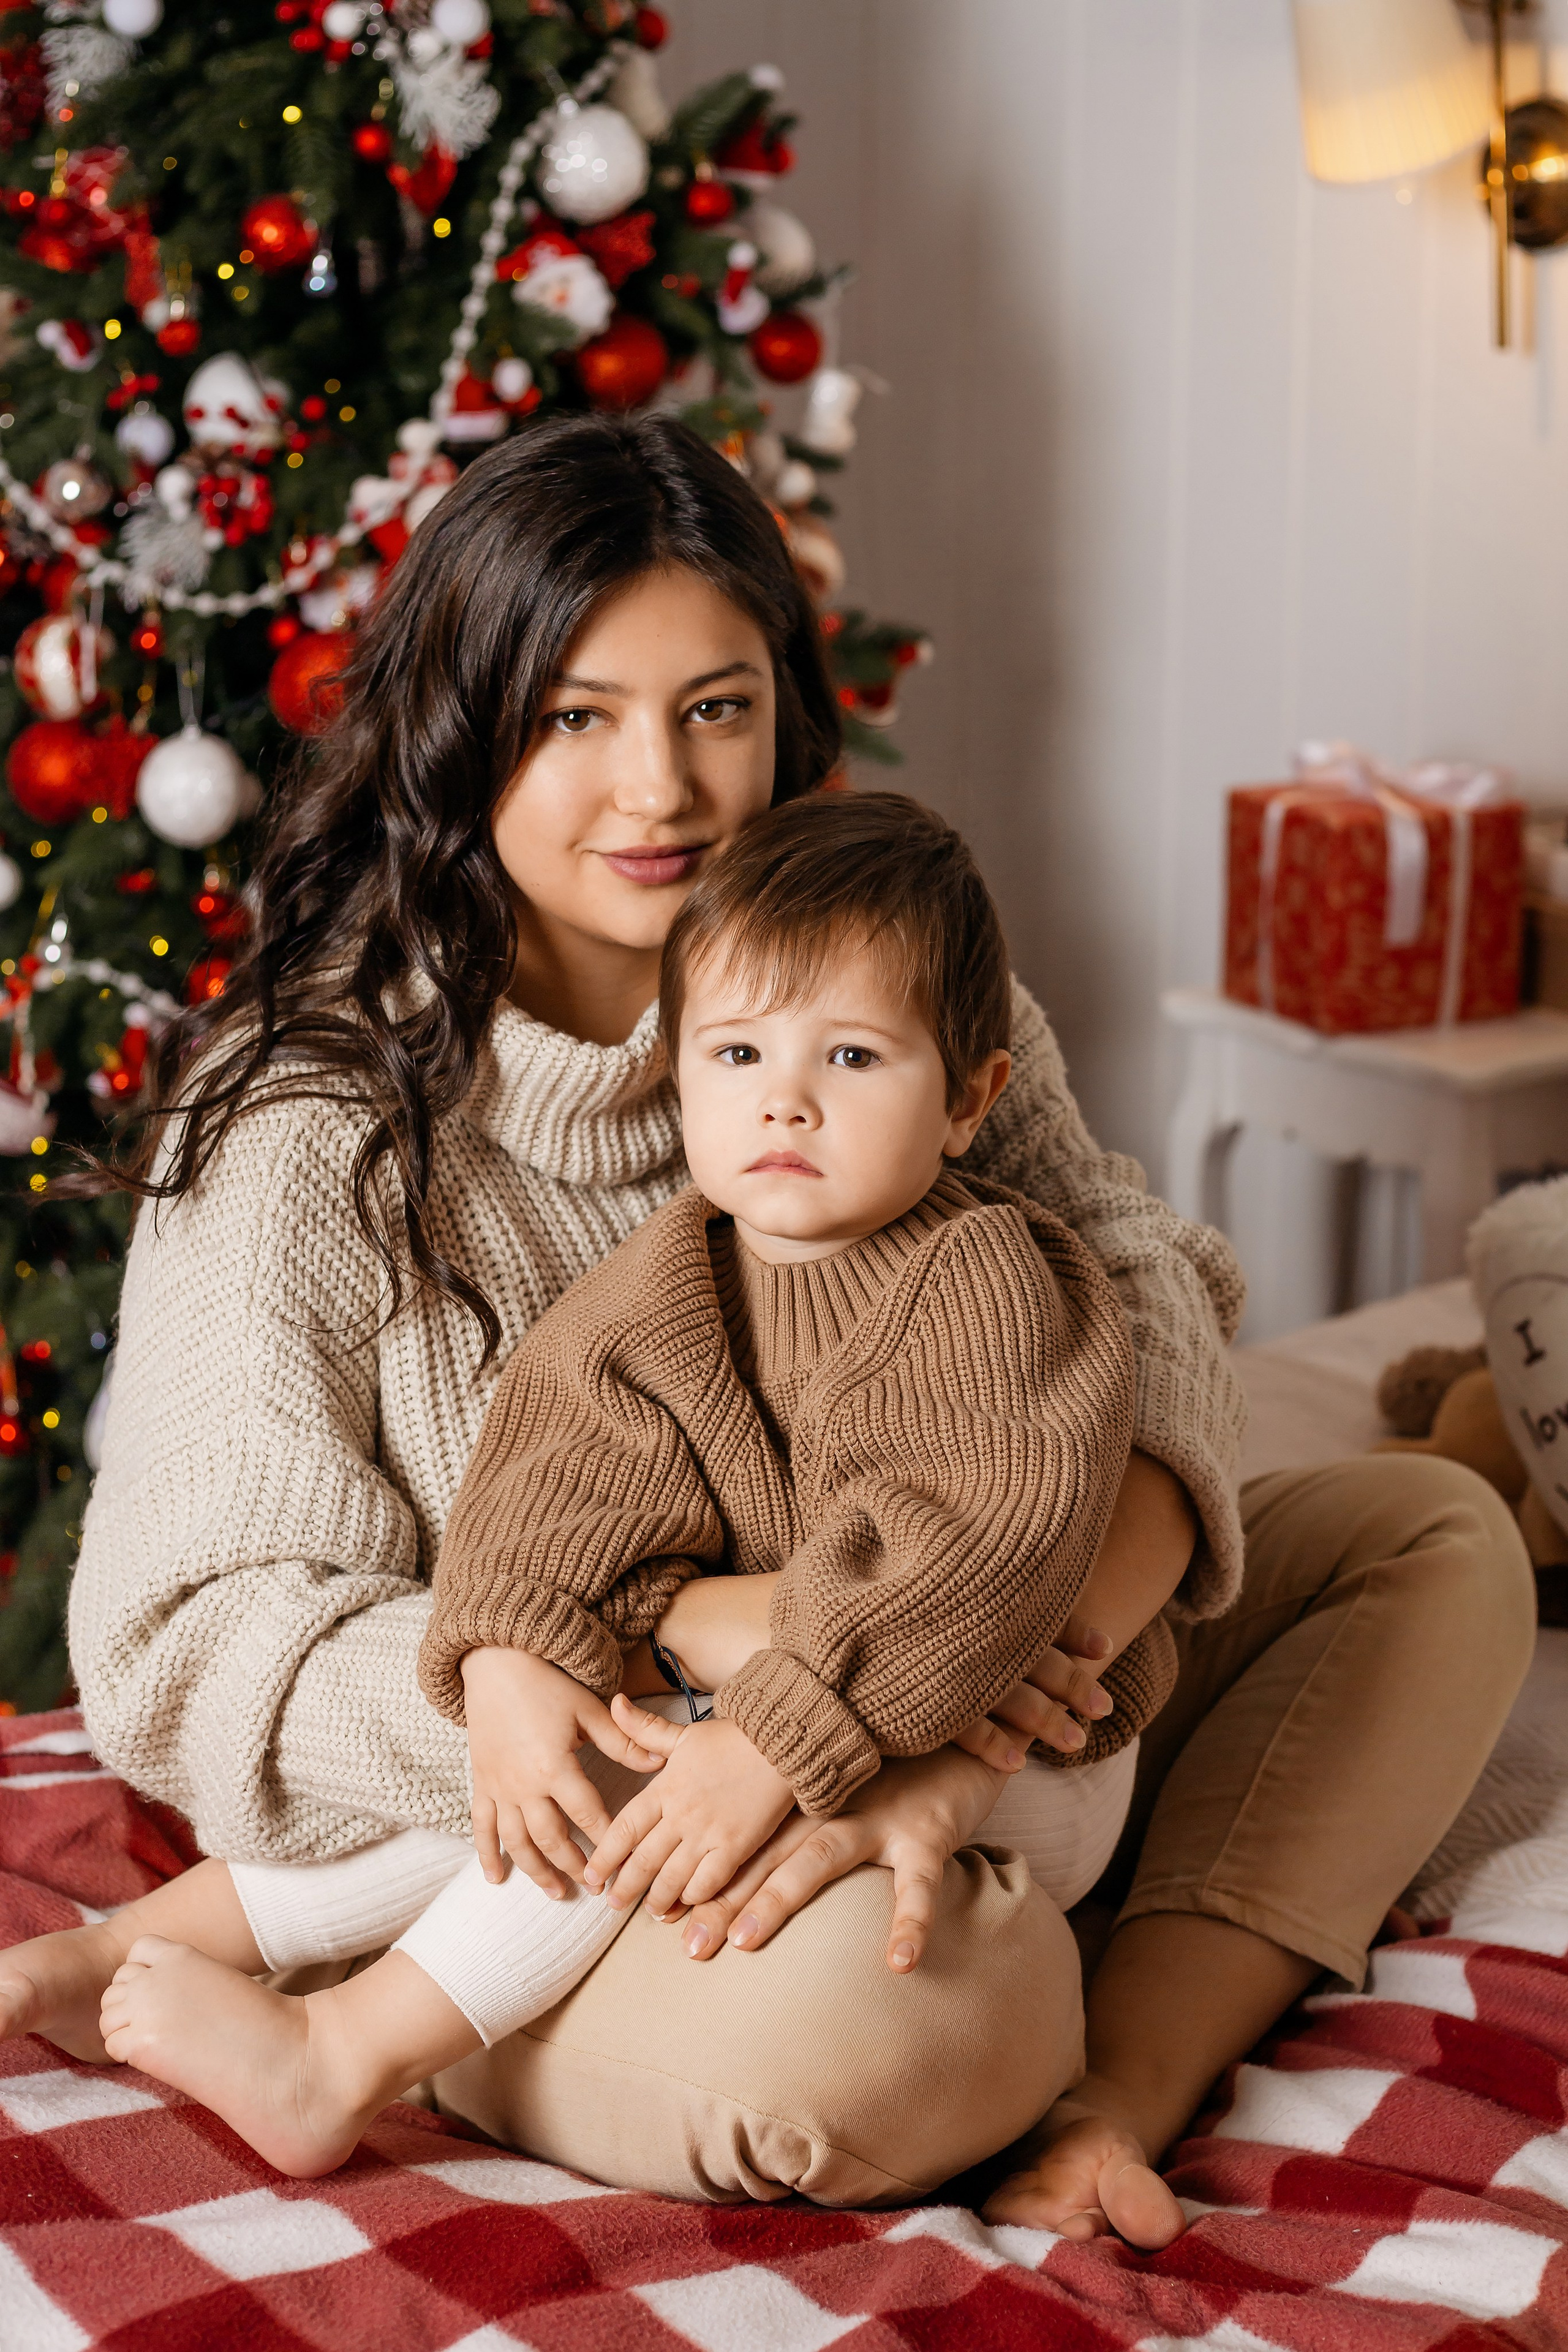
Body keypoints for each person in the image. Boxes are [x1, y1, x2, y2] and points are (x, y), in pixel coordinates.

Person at [0, 413, 1534, 2225]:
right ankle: (427, 2009)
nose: (659, 787)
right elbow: (192, 1645)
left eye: (714, 708)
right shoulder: (301, 1127)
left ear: (783, 718)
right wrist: (714, 1674)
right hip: (576, 1820)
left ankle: (1117, 2097)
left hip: (969, 1670)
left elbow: (1134, 1270)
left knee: (1432, 1533)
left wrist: (1001, 1674)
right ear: (461, 728)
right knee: (912, 2031)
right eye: (576, 716)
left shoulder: (881, 985)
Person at [86, 790, 1189, 2178]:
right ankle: (172, 1936)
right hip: (794, 1697)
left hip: (1011, 1751)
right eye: (738, 1053)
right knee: (568, 1749)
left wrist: (772, 1737)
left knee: (644, 1765)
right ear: (684, 1080)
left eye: (849, 1056)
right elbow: (550, 1477)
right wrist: (506, 1650)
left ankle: (349, 2050)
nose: (785, 1097)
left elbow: (969, 1554)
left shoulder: (982, 1279)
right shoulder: (673, 1275)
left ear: (970, 1098)